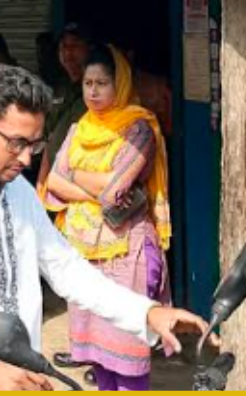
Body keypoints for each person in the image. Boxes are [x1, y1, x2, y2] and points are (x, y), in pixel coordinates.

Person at [0, 65, 209, 391]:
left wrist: (147, 312)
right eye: (16, 143)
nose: (27, 158)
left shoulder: (20, 192)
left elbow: (66, 269)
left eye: (34, 145)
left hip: (22, 381)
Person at [45, 45, 173, 390]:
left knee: (128, 357)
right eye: (88, 83)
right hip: (84, 254)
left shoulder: (139, 128)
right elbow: (53, 182)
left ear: (121, 84)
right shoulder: (79, 128)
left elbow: (116, 190)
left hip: (126, 251)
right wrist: (95, 191)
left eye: (102, 83)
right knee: (99, 357)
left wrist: (75, 176)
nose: (93, 91)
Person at [36, 23, 91, 193]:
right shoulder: (59, 88)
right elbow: (48, 138)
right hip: (53, 178)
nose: (68, 53)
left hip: (81, 179)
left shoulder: (96, 93)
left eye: (74, 46)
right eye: (63, 47)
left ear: (89, 49)